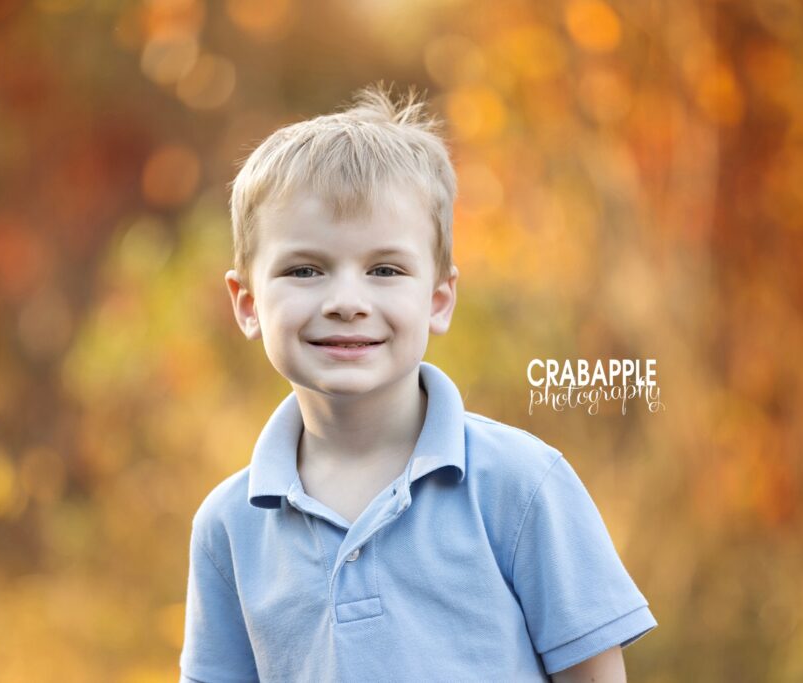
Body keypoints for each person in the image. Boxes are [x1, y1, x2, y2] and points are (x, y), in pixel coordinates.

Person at [179, 84, 657, 682]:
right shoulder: (228, 526)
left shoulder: (522, 486)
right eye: (305, 270)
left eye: (385, 270)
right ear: (248, 303)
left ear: (438, 298)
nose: (347, 302)